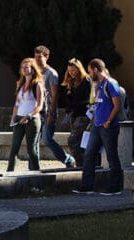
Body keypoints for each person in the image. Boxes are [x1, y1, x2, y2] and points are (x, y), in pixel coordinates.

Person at [73, 59, 124, 196]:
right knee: (89, 154)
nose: (89, 74)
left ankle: (115, 186)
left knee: (111, 156)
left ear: (96, 69)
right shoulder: (99, 85)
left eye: (90, 71)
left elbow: (117, 105)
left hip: (108, 127)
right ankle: (87, 185)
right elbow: (98, 106)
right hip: (97, 126)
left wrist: (108, 121)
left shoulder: (111, 84)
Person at [34, 46, 75, 168]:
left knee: (47, 139)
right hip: (37, 110)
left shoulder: (52, 73)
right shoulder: (35, 72)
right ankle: (34, 166)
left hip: (48, 111)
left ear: (47, 57)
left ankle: (67, 159)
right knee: (34, 140)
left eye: (40, 57)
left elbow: (55, 94)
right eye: (35, 57)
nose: (37, 59)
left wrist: (51, 113)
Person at [7, 58, 45, 172]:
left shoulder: (37, 84)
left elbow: (39, 106)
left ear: (33, 69)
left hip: (32, 120)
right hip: (19, 118)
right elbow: (17, 104)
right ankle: (9, 172)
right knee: (14, 148)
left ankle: (37, 173)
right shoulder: (20, 84)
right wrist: (13, 118)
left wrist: (28, 116)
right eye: (23, 67)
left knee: (31, 148)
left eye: (27, 67)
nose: (24, 69)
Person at [62, 58, 92, 167]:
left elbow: (89, 99)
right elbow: (69, 100)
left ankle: (82, 165)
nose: (71, 73)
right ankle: (81, 165)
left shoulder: (86, 80)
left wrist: (76, 104)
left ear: (79, 69)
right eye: (69, 71)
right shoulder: (71, 82)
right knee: (78, 142)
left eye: (73, 70)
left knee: (73, 140)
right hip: (73, 114)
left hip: (83, 114)